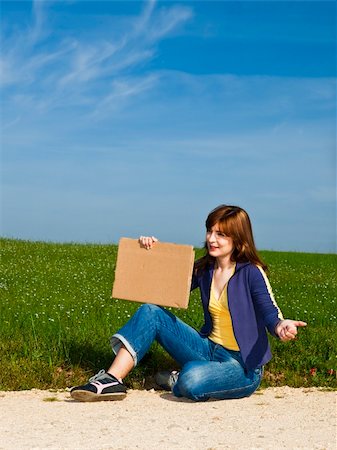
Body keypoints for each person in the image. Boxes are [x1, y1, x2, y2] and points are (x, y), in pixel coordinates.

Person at [70, 205, 307, 402]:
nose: (211, 239)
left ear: (238, 238)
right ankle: (112, 380)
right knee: (151, 312)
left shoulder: (251, 272)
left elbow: (269, 310)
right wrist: (150, 251)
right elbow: (163, 286)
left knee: (191, 380)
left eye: (221, 234)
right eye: (210, 231)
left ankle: (180, 378)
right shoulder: (205, 269)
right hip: (208, 349)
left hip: (241, 366)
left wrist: (280, 326)